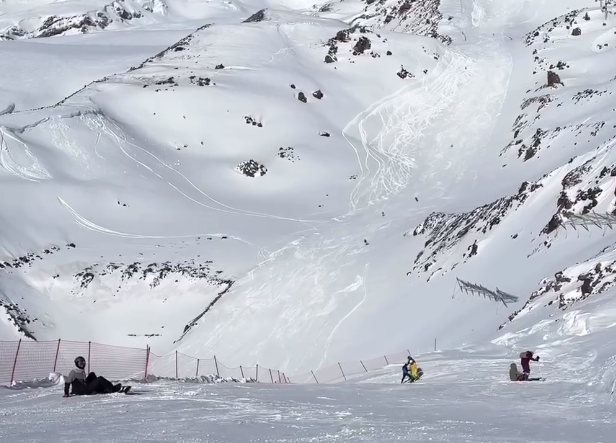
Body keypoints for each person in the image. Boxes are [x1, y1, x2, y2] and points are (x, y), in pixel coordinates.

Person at [63, 356, 130, 397]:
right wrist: (66, 393)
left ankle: (100, 389)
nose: (82, 365)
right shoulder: (74, 372)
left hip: (83, 387)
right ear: (77, 364)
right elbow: (67, 382)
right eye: (80, 363)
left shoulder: (81, 371)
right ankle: (112, 389)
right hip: (83, 391)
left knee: (92, 374)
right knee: (100, 379)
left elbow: (83, 381)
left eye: (83, 363)